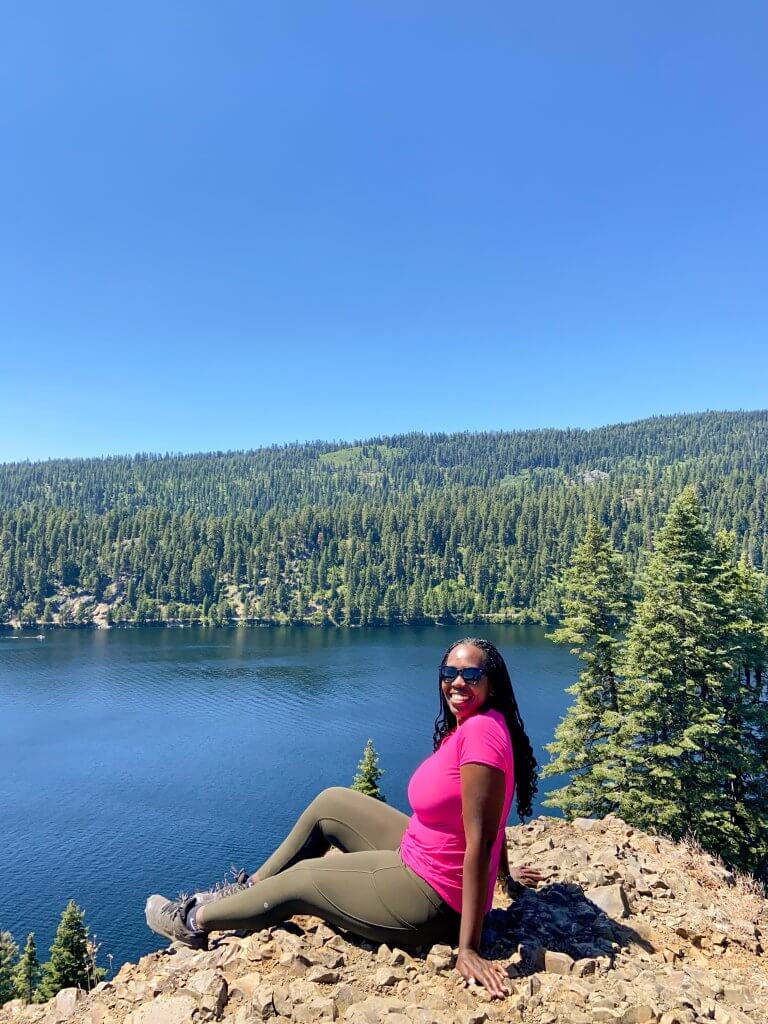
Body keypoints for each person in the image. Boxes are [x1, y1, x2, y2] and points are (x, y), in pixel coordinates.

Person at [145, 637, 540, 998]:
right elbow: (495, 813)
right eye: (449, 673)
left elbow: (483, 839)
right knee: (330, 803)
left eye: (471, 674)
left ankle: (192, 921)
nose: (458, 682)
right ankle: (248, 892)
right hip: (421, 849)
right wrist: (503, 877)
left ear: (492, 682)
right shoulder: (480, 724)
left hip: (433, 898)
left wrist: (468, 947)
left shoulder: (480, 737)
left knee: (300, 880)